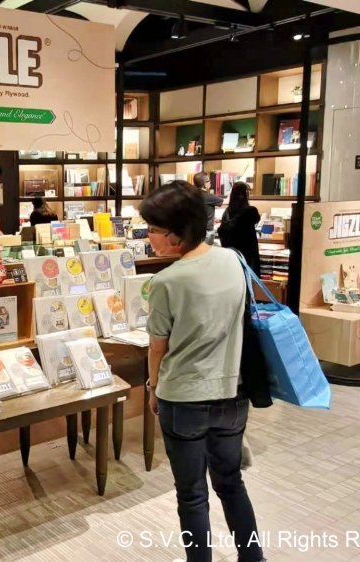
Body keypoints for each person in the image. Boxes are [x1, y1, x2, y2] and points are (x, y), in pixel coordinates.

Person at [140, 180, 266, 562]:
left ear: (176, 233)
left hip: (183, 399)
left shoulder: (165, 282)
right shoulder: (234, 259)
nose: (148, 236)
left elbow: (157, 348)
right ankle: (253, 558)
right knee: (231, 482)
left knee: (192, 495)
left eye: (153, 229)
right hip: (233, 394)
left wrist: (152, 388)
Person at [217, 182, 261, 276]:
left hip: (231, 254)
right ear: (245, 194)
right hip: (247, 254)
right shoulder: (251, 211)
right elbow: (256, 219)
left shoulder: (226, 212)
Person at [194, 172, 223, 244]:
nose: (210, 182)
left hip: (195, 231)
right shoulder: (208, 197)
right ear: (205, 184)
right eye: (209, 180)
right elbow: (227, 201)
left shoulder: (192, 195)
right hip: (207, 232)